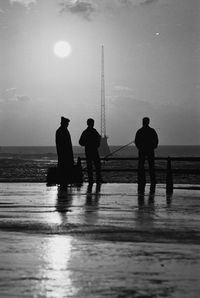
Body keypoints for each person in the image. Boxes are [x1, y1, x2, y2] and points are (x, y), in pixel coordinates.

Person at [134, 117, 159, 191]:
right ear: (148, 122)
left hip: (142, 151)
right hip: (150, 150)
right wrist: (152, 147)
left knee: (141, 166)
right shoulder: (152, 131)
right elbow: (156, 141)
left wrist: (140, 147)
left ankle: (141, 180)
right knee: (151, 166)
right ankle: (152, 180)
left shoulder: (140, 131)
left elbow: (136, 141)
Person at [79, 118, 102, 184]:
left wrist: (86, 143)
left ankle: (90, 180)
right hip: (94, 151)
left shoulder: (85, 132)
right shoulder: (94, 131)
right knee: (97, 165)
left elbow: (81, 142)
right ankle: (98, 179)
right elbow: (99, 139)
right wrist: (96, 145)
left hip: (88, 151)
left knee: (89, 167)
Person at [56, 117, 74, 188]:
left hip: (63, 155)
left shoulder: (61, 131)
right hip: (64, 155)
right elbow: (66, 145)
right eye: (67, 123)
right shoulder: (62, 131)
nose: (68, 125)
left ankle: (63, 184)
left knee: (63, 171)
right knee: (64, 171)